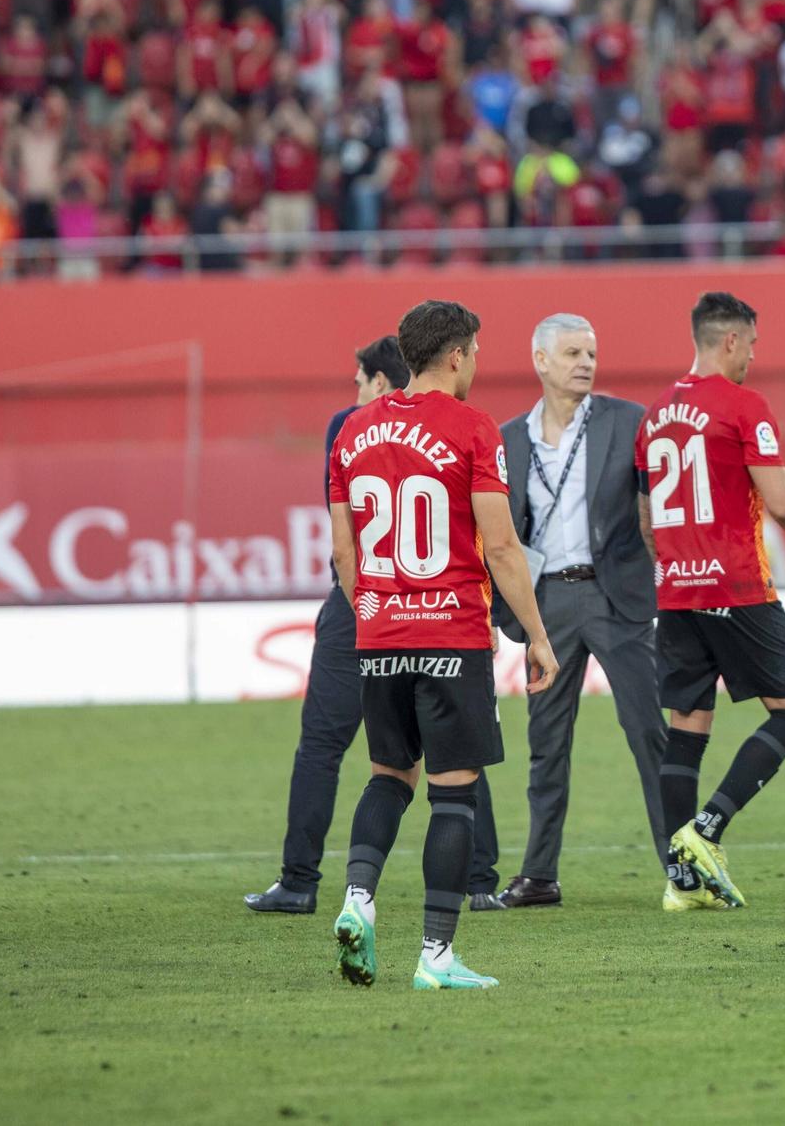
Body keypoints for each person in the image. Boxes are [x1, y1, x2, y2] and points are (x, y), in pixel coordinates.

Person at [326, 301, 559, 991]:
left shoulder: (352, 432)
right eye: (477, 352)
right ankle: (435, 955)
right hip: (452, 634)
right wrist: (538, 636)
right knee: (453, 795)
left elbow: (345, 553)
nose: (478, 364)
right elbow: (502, 545)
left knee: (387, 777)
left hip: (380, 635)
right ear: (455, 355)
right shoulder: (474, 428)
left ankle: (357, 899)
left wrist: (373, 617)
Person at [246, 337, 503, 916]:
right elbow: (484, 534)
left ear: (382, 382)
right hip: (441, 605)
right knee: (455, 743)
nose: (355, 392)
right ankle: (479, 880)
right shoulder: (466, 425)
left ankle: (300, 880)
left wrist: (364, 606)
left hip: (363, 604)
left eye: (361, 379)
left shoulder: (349, 427)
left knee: (325, 744)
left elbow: (346, 538)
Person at [639, 293, 785, 908]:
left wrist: (678, 563)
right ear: (729, 340)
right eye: (751, 343)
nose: (753, 355)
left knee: (687, 726)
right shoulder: (744, 406)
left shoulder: (655, 417)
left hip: (676, 591)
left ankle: (680, 882)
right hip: (738, 585)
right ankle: (707, 828)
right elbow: (778, 501)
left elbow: (648, 518)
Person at [490, 314, 673, 910]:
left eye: (591, 352)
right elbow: (496, 534)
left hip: (616, 597)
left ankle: (683, 867)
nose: (586, 363)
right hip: (546, 606)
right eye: (572, 353)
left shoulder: (628, 422)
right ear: (540, 360)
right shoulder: (508, 440)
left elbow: (655, 512)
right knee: (546, 742)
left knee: (649, 732)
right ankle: (539, 875)